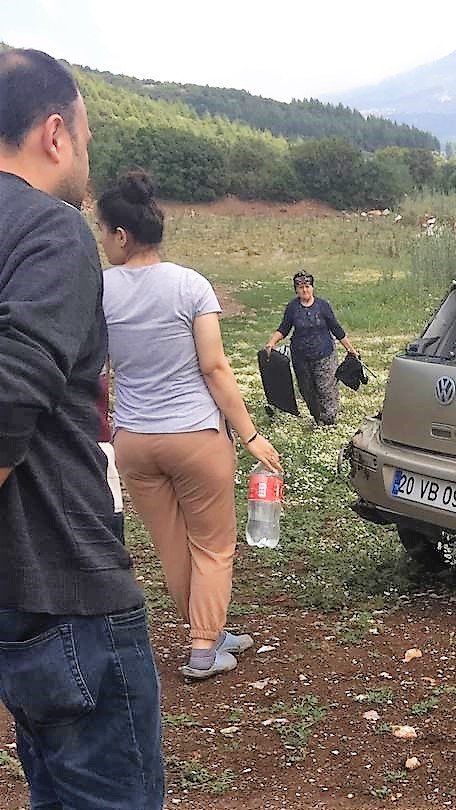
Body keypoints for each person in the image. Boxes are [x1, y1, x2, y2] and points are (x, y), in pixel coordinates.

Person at [0, 49, 164, 808]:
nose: (87, 160)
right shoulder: (52, 230)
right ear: (55, 133)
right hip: (65, 587)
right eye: (87, 139)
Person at [100, 169, 283, 680]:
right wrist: (250, 434)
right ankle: (203, 648)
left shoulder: (99, 290)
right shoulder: (190, 285)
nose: (102, 241)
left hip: (134, 442)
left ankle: (212, 629)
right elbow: (215, 368)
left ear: (122, 235)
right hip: (196, 438)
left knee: (173, 548)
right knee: (212, 545)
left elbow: (95, 367)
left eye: (103, 231)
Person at [265, 272, 359, 425]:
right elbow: (284, 328)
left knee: (326, 389)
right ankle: (317, 418)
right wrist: (272, 342)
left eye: (307, 286)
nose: (305, 290)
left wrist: (350, 349)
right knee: (307, 390)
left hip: (324, 355)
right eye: (301, 287)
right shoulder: (292, 307)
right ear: (296, 290)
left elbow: (336, 328)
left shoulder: (323, 306)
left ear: (312, 288)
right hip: (301, 357)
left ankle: (329, 421)